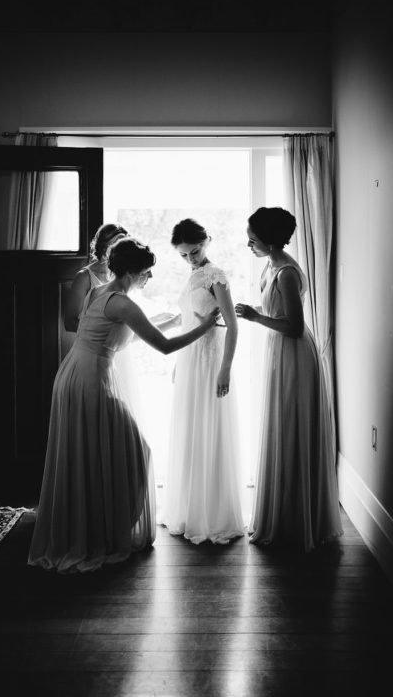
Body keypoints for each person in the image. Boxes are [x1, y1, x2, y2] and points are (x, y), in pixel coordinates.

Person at [28, 237, 219, 573]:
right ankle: (105, 533)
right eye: (147, 272)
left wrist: (174, 320)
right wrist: (203, 327)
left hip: (73, 373)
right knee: (136, 450)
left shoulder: (98, 293)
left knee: (89, 454)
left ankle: (95, 529)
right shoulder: (123, 303)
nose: (149, 278)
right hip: (89, 380)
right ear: (132, 271)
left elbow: (121, 336)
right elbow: (163, 347)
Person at [235, 207, 343, 552]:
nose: (248, 242)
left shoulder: (285, 273)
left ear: (267, 239)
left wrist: (255, 316)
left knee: (292, 428)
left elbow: (295, 327)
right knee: (282, 429)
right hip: (280, 351)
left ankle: (297, 521)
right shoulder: (271, 265)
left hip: (294, 354)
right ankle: (285, 515)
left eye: (252, 237)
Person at [161, 219, 245, 545]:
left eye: (194, 252)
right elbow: (187, 322)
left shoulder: (216, 276)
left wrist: (225, 369)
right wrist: (181, 362)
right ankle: (188, 507)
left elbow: (233, 326)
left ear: (207, 241)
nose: (191, 259)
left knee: (209, 428)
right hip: (191, 359)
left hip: (211, 361)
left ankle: (212, 513)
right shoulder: (192, 276)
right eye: (183, 255)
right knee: (191, 428)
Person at [64, 222, 128, 333]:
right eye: (117, 245)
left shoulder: (119, 276)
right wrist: (104, 333)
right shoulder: (84, 277)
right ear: (104, 247)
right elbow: (69, 323)